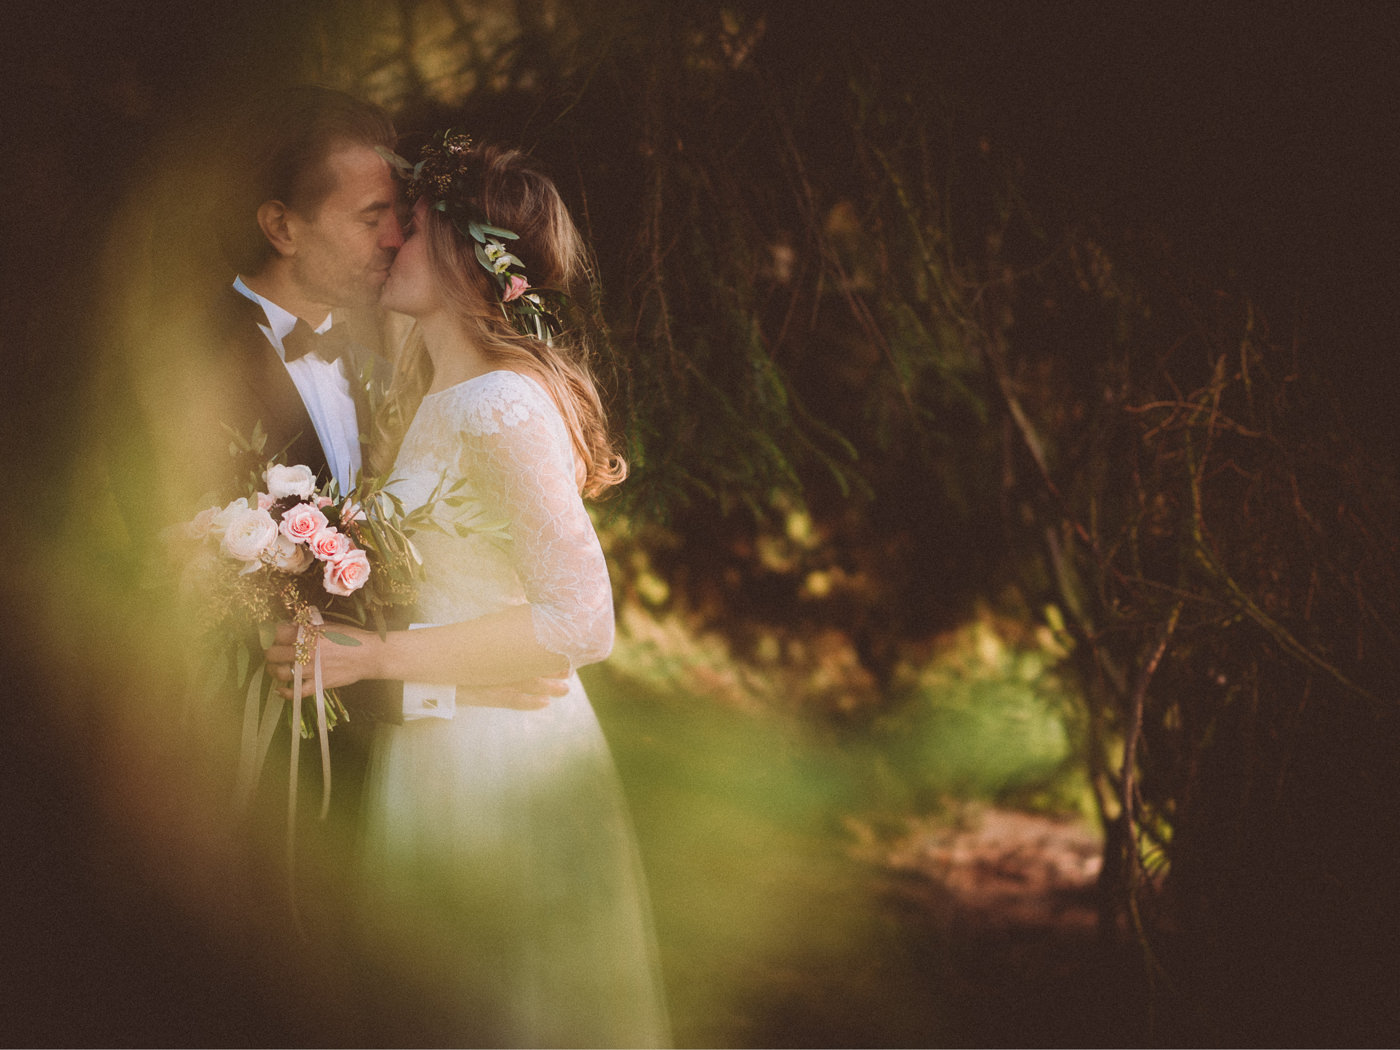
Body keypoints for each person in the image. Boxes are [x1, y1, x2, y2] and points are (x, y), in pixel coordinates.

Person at [263, 131, 672, 1048]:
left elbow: (582, 619)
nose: (388, 246)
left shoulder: (501, 403)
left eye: (405, 230)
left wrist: (377, 658)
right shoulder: (439, 396)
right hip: (446, 731)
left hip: (498, 760)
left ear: (459, 252)